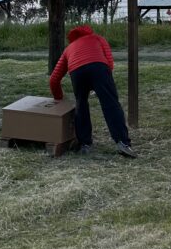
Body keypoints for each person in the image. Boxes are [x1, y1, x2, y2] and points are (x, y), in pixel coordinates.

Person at [49, 24, 137, 157]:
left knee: (81, 104)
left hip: (77, 72)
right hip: (99, 67)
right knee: (111, 104)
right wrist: (101, 85)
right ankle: (123, 143)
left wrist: (59, 98)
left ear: (72, 38)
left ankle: (85, 144)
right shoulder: (98, 38)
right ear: (89, 32)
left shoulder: (68, 49)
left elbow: (54, 79)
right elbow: (109, 62)